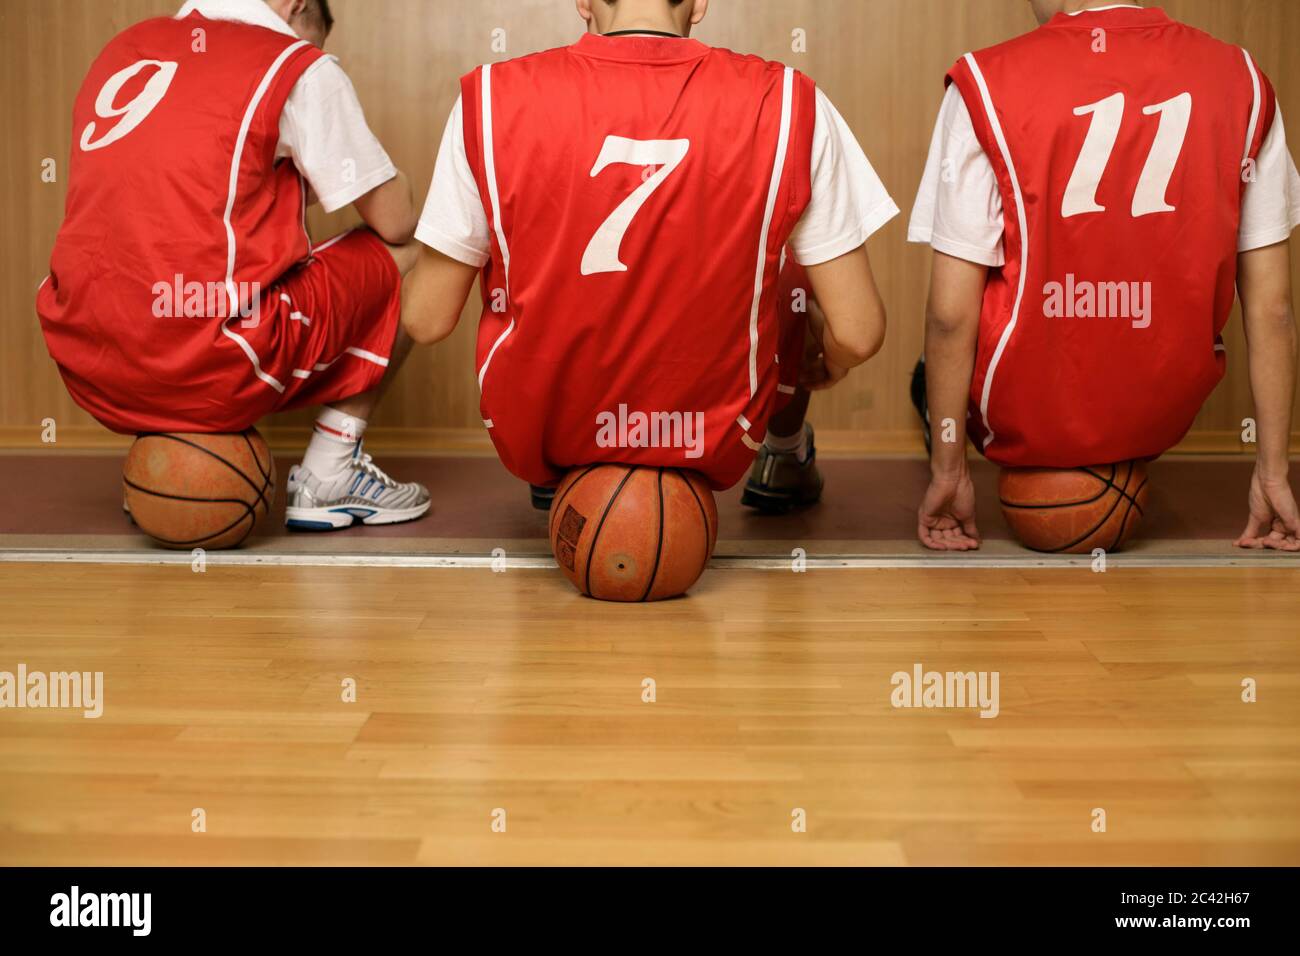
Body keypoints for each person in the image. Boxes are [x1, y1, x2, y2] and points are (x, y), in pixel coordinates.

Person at [401, 0, 896, 510]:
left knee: (513, 235)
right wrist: (827, 357)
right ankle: (784, 452)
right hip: (715, 434)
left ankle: (568, 454)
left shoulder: (489, 96)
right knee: (787, 266)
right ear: (699, 3)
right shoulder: (790, 98)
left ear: (584, 1)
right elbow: (858, 332)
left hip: (542, 429)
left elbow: (426, 319)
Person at [908, 0, 1300, 552]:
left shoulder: (984, 80)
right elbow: (1272, 309)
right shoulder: (1244, 79)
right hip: (1163, 409)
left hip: (1025, 406)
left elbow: (950, 316)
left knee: (934, 364)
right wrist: (1273, 474)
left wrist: (948, 472)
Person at [37, 0, 431, 531]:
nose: (313, 53)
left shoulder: (122, 51)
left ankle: (159, 468)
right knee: (419, 254)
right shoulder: (294, 64)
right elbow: (398, 223)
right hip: (214, 359)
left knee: (164, 266)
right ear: (297, 8)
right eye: (314, 38)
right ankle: (330, 473)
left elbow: (161, 213)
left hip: (86, 357)